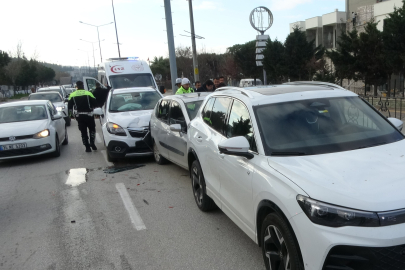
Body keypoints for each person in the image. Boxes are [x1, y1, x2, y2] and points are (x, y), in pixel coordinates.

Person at [68, 81, 98, 153]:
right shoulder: (88, 93)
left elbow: (69, 107)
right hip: (89, 115)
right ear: (83, 86)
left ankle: (87, 147)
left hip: (80, 116)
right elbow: (95, 104)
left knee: (83, 132)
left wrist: (71, 115)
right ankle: (92, 143)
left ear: (76, 86)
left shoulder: (72, 95)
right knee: (92, 130)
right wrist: (96, 112)